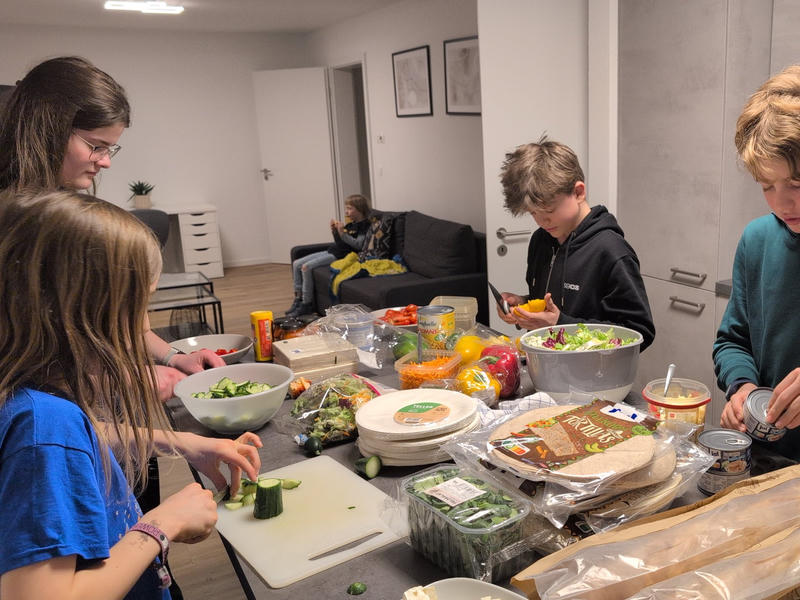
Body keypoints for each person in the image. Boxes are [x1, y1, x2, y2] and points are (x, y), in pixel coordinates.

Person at [0, 189, 262, 599]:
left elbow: (81, 440)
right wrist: (162, 525)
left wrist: (184, 442)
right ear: (85, 311)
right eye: (140, 304)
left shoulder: (25, 394)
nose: (144, 324)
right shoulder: (46, 423)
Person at [0, 55, 225, 401]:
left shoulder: (59, 202)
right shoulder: (17, 224)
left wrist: (175, 358)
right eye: (95, 146)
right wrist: (119, 380)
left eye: (110, 148)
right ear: (50, 129)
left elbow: (114, 319)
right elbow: (24, 377)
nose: (104, 161)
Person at [714, 65, 800, 461]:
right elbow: (732, 340)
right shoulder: (757, 240)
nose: (782, 203)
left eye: (797, 186)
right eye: (767, 186)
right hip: (766, 457)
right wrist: (742, 385)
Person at [496, 135, 655, 350]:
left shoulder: (611, 251)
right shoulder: (541, 240)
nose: (542, 222)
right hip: (547, 369)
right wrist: (524, 306)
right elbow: (554, 304)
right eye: (533, 213)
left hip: (595, 378)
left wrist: (560, 324)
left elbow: (639, 332)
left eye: (549, 211)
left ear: (578, 192)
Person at [286, 193, 371, 316]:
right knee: (296, 263)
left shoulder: (365, 226)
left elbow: (358, 245)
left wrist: (342, 234)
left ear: (360, 209)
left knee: (306, 267)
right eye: (346, 208)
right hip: (333, 250)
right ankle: (298, 299)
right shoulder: (350, 224)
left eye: (350, 208)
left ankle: (306, 304)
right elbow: (340, 242)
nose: (346, 211)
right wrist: (335, 232)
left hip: (342, 255)